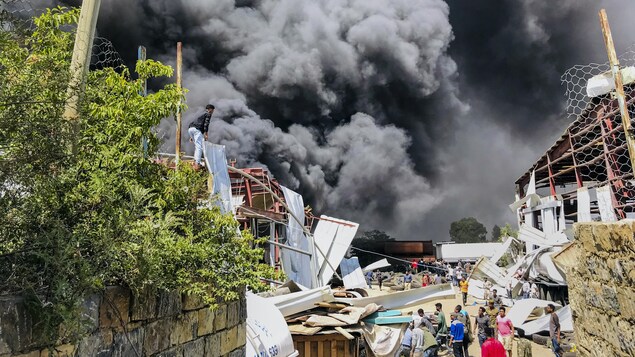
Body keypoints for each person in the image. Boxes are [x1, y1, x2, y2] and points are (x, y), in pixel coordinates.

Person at [188, 104, 214, 169]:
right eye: (213, 110)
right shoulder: (208, 114)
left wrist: (192, 136)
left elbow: (193, 122)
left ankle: (195, 161)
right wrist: (206, 134)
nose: (213, 111)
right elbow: (206, 124)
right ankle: (197, 163)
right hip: (197, 130)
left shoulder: (201, 113)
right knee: (199, 147)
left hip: (190, 129)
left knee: (197, 146)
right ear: (210, 109)